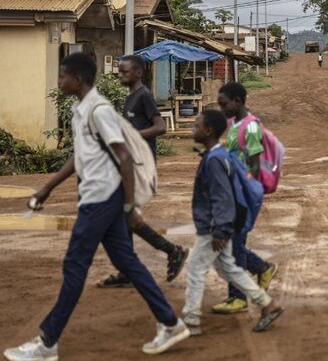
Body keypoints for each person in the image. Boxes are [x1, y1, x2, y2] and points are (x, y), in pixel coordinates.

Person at [4, 53, 189, 361]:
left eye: (63, 76)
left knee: (74, 267)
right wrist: (47, 189)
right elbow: (80, 156)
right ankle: (170, 323)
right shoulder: (81, 109)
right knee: (127, 261)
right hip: (100, 198)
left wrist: (130, 206)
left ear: (77, 79)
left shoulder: (99, 110)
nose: (60, 81)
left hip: (101, 200)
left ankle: (47, 343)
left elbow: (124, 157)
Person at [183, 109, 283, 335]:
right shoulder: (217, 156)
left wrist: (220, 230)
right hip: (220, 225)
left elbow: (223, 198)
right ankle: (268, 304)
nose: (193, 128)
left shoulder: (216, 160)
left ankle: (190, 321)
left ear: (208, 131)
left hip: (214, 227)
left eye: (196, 125)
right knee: (229, 267)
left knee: (196, 269)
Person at [96, 55, 187, 289]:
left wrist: (132, 137)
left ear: (138, 73)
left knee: (126, 215)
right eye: (120, 71)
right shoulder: (130, 98)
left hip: (140, 166)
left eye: (125, 72)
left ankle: (171, 250)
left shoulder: (143, 96)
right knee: (124, 217)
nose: (120, 75)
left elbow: (160, 127)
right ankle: (129, 270)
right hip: (131, 164)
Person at [213, 83, 278, 315]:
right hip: (233, 191)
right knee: (235, 244)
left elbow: (254, 163)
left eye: (224, 104)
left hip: (242, 194)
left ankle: (237, 297)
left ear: (238, 101)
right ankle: (262, 268)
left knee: (234, 245)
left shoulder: (250, 128)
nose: (222, 109)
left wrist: (246, 191)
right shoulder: (234, 123)